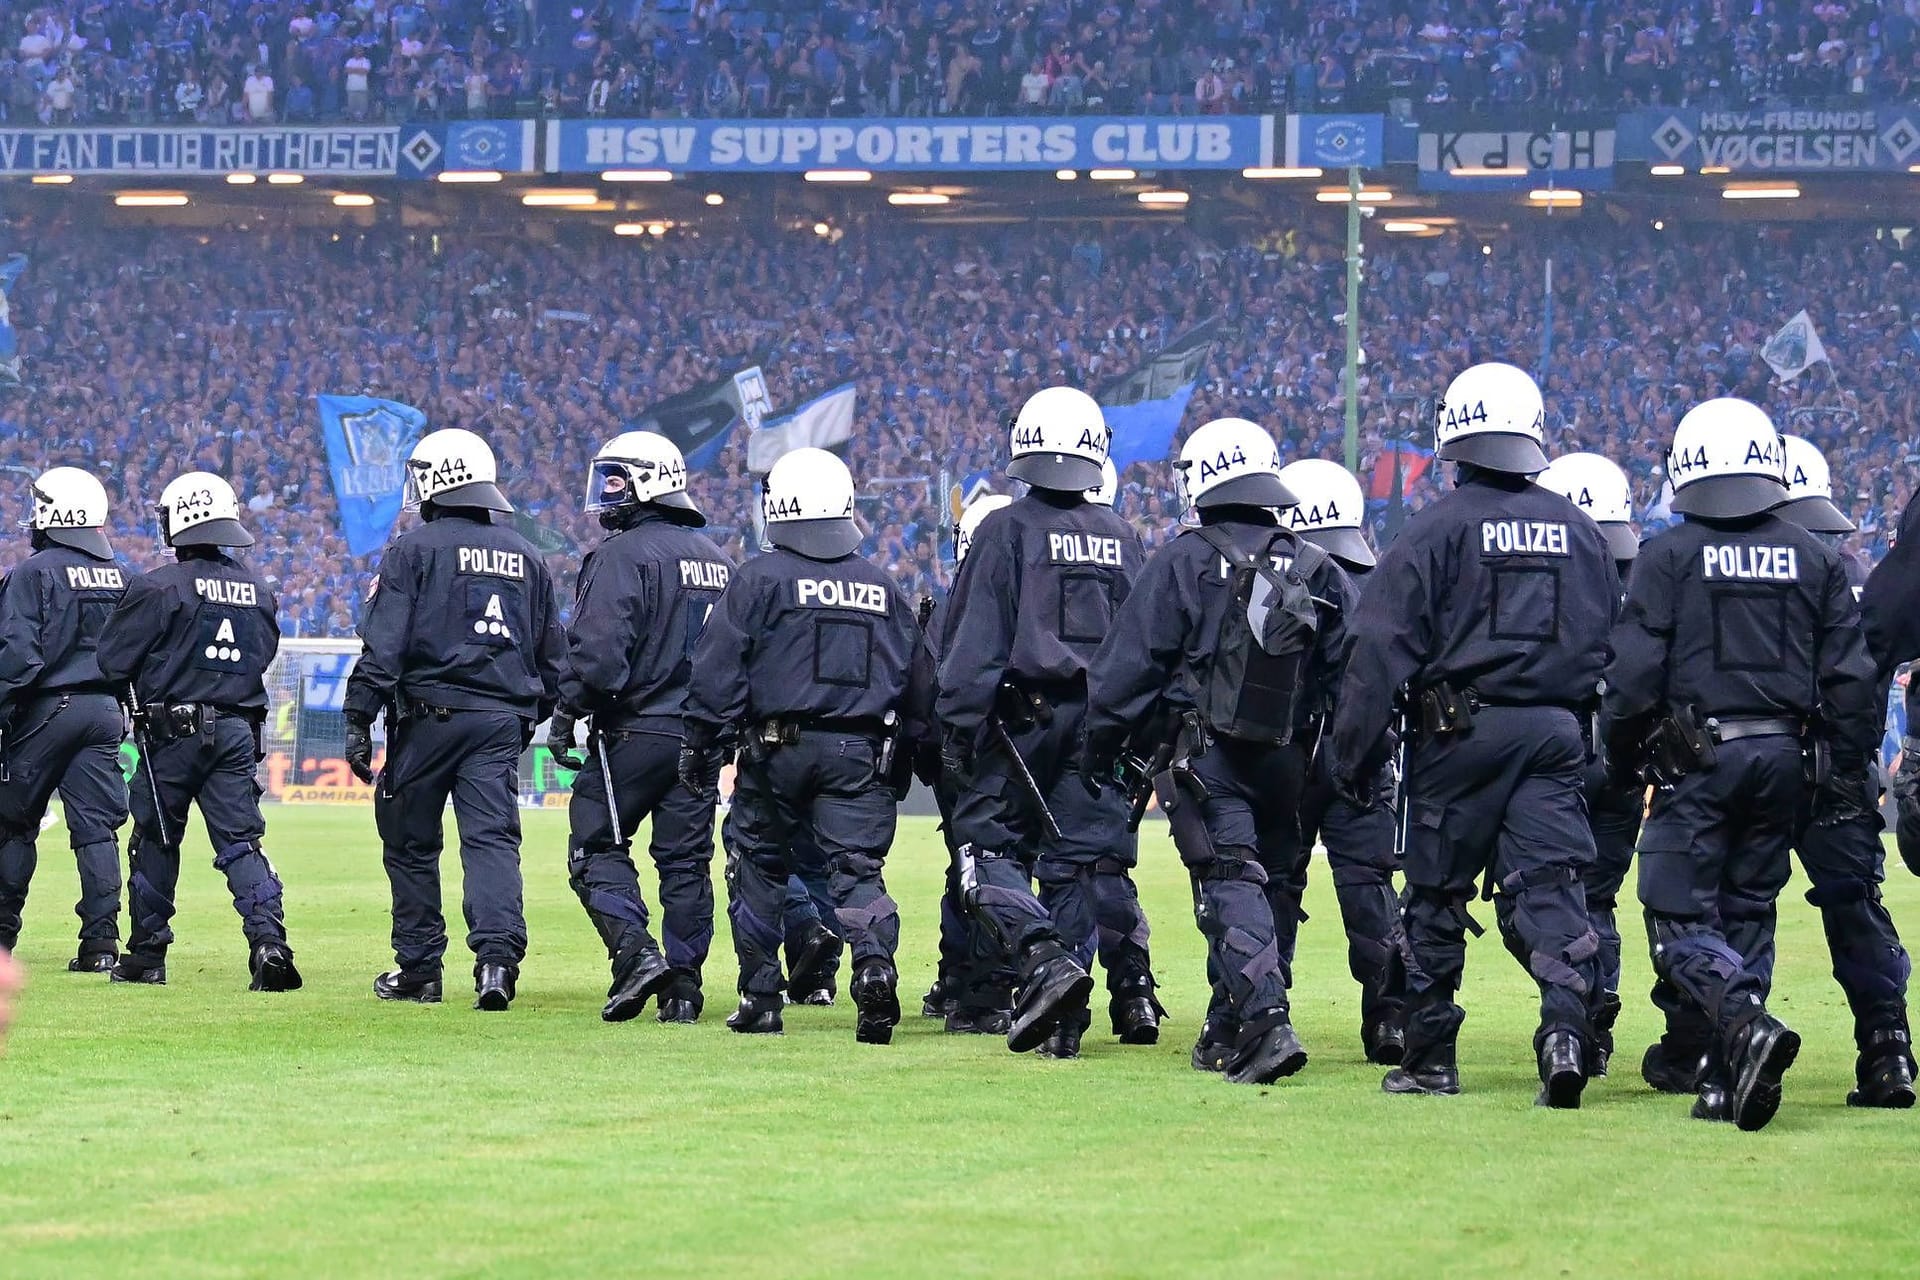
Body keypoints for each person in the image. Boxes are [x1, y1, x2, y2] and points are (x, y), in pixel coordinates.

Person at [1329, 362, 1618, 1109]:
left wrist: (1351, 756)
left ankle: (1431, 1058)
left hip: (1460, 735)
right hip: (1556, 733)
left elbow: (1377, 647)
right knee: (1552, 885)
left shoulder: (1436, 528)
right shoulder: (1581, 530)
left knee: (1436, 895)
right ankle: (1563, 1034)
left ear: (1453, 438)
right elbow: (1607, 644)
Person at [1604, 400, 1879, 1130]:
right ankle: (1729, 1083)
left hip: (1697, 760)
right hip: (1787, 759)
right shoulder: (1819, 559)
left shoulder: (1666, 556)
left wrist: (1624, 754)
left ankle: (1748, 1026)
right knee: (1749, 911)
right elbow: (1852, 680)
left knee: (1676, 917)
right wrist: (1840, 767)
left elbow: (1632, 676)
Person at [1084, 418, 1354, 1083]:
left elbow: (1127, 669)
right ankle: (1225, 1026)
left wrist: (1099, 749)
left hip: (1210, 759)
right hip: (1293, 759)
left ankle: (1266, 1020)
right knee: (1276, 887)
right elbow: (1353, 676)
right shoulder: (1315, 562)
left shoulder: (1184, 559)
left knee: (1230, 885)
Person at [683, 448, 931, 1043]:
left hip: (776, 753)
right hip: (859, 757)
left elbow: (717, 671)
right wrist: (910, 758)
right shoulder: (883, 588)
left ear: (780, 508)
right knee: (857, 873)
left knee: (758, 869)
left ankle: (761, 998)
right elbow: (922, 685)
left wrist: (703, 747)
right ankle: (873, 965)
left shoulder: (758, 579)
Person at [937, 387, 1137, 1056]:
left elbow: (973, 644)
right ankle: (1067, 1026)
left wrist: (960, 730)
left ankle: (1044, 959)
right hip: (1099, 725)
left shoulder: (1006, 529)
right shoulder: (1120, 536)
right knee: (1075, 863)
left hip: (1022, 722)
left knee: (983, 854)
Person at [344, 428, 565, 1012]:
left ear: (434, 481)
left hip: (429, 719)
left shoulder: (413, 550)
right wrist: (523, 716)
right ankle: (496, 964)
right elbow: (553, 659)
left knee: (411, 842)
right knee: (491, 841)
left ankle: (419, 969)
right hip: (498, 723)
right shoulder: (528, 556)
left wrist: (357, 715)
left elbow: (383, 645)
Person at [548, 431, 733, 1025]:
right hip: (701, 738)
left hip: (634, 733)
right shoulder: (720, 561)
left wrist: (567, 711)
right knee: (685, 864)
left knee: (594, 844)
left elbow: (599, 655)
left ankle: (635, 955)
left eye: (615, 480)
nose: (604, 493)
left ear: (649, 482)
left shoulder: (619, 556)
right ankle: (684, 991)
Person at [96, 472, 298, 991]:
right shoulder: (258, 589)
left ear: (178, 521)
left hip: (170, 735)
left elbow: (112, 659)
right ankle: (269, 944)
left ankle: (146, 955)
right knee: (240, 843)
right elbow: (265, 653)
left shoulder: (159, 585)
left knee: (156, 839)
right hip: (235, 732)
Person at [1764, 436, 1913, 1109]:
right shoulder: (1863, 576)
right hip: (1845, 775)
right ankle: (1889, 1053)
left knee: (1735, 904)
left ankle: (1719, 1049)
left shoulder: (1745, 572)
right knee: (1855, 908)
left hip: (1763, 763)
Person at [1275, 457, 1409, 1065]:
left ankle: (1257, 1015)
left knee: (1272, 886)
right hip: (1364, 756)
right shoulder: (1374, 580)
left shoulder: (1277, 579)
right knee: (1369, 890)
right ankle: (1390, 1019)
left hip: (1288, 756)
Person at [1535, 451, 1644, 1077]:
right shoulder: (1640, 578)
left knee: (1549, 895)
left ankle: (1576, 1019)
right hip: (1624, 759)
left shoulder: (1554, 576)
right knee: (1598, 898)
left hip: (1562, 754)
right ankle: (1595, 1024)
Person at [0, 468, 132, 972]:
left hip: (45, 709)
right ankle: (101, 946)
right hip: (104, 712)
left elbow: (16, 655)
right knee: (97, 831)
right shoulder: (124, 575)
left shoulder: (32, 573)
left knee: (12, 825)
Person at [922, 493, 1018, 1035]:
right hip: (1008, 755)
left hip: (962, 755)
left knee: (967, 867)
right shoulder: (1023, 599)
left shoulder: (955, 603)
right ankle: (988, 984)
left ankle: (964, 982)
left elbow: (934, 686)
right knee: (1001, 865)